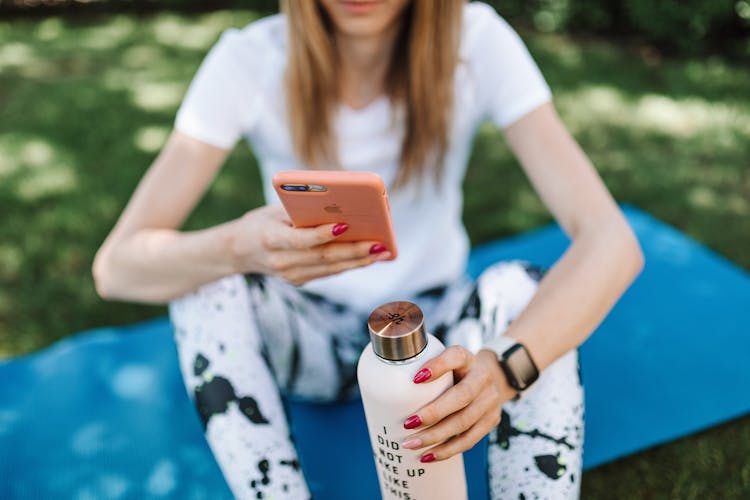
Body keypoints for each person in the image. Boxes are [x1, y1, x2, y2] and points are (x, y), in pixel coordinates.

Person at [93, 0, 644, 498]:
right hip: (306, 332)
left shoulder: (476, 41)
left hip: (439, 343)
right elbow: (116, 269)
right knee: (207, 282)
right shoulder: (249, 60)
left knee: (521, 290)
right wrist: (239, 247)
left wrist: (503, 370)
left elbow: (612, 242)